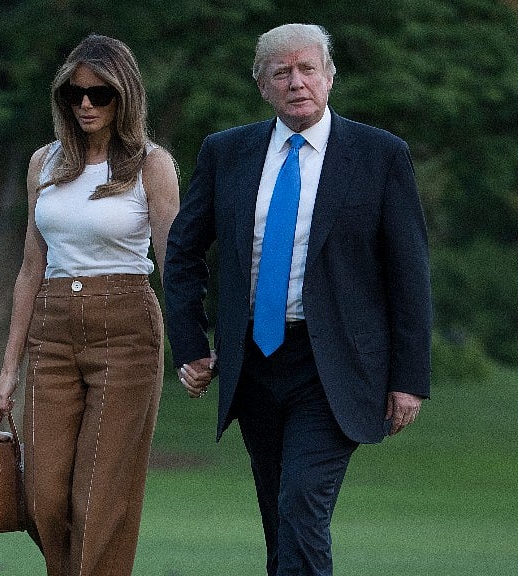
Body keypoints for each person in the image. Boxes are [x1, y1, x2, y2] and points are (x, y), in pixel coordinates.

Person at [164, 23, 431, 576]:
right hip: (254, 362)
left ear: (329, 77)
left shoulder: (379, 155)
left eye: (308, 69)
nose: (296, 82)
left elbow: (409, 275)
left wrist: (409, 378)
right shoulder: (226, 152)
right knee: (279, 517)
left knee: (301, 504)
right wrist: (190, 344)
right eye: (281, 72)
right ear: (262, 84)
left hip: (335, 364)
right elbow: (184, 252)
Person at [0, 34, 180, 576]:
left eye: (100, 94)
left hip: (126, 328)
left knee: (98, 501)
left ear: (125, 96)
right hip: (52, 330)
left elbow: (172, 260)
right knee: (41, 497)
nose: (86, 104)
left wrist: (192, 344)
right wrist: (8, 368)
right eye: (75, 94)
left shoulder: (151, 165)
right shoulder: (43, 163)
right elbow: (30, 267)